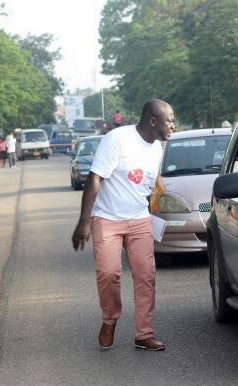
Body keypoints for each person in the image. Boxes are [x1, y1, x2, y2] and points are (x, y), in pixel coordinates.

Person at [72, 99, 175, 351]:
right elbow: (94, 178)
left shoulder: (158, 149)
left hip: (139, 219)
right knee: (108, 274)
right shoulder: (116, 139)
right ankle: (109, 319)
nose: (173, 125)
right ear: (153, 120)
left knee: (146, 275)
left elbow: (149, 185)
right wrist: (84, 221)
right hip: (107, 219)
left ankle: (143, 334)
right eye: (169, 120)